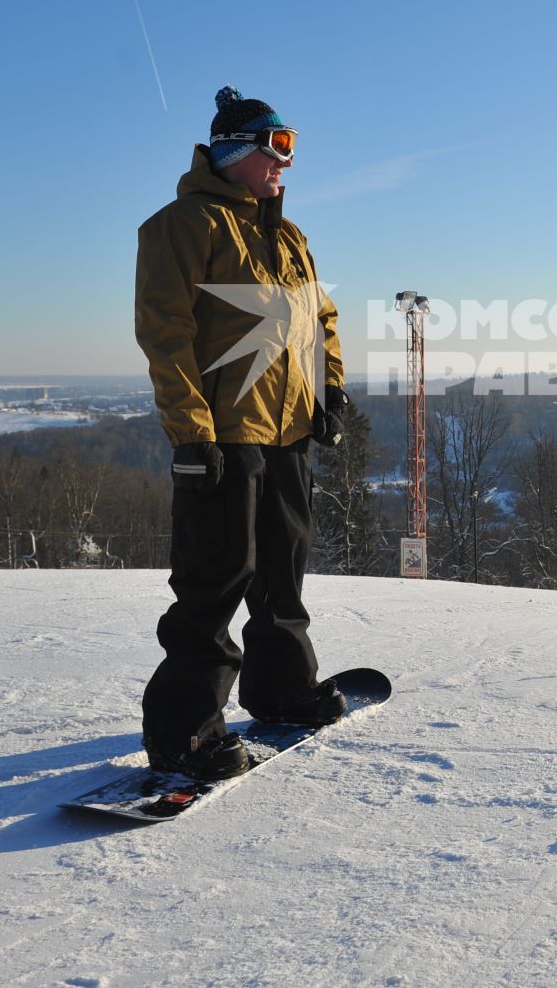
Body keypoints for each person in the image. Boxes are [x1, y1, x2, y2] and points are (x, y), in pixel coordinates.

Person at [134, 86, 350, 781]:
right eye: (278, 147)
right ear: (236, 153)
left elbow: (320, 318)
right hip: (223, 434)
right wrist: (191, 431)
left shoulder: (288, 236)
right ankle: (184, 730)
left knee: (283, 567)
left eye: (291, 147)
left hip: (286, 431)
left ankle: (280, 687)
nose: (287, 162)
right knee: (216, 577)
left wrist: (330, 388)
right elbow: (166, 334)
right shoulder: (182, 225)